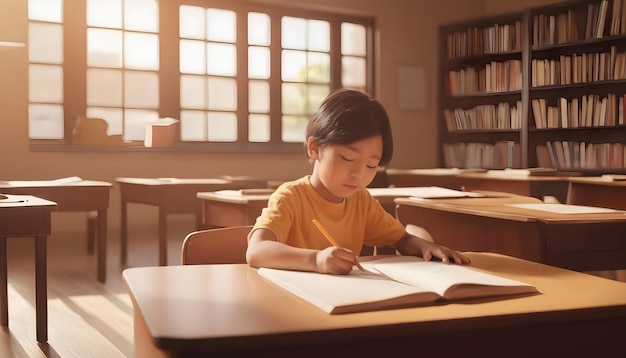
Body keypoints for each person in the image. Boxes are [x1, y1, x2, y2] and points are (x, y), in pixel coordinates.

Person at [246, 89, 471, 274]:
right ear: (314, 149)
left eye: (371, 165)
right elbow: (256, 251)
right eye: (347, 158)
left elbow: (401, 238)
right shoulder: (291, 197)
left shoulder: (360, 201)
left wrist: (427, 247)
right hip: (292, 303)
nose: (359, 174)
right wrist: (316, 260)